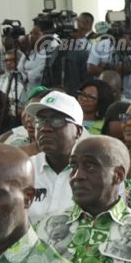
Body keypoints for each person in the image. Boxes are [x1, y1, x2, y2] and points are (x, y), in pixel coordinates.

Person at [35, 136, 131, 263]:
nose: (77, 176)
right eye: (73, 167)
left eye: (90, 167)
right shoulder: (46, 225)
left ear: (118, 175)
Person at [24, 91, 85, 224]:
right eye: (40, 121)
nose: (45, 128)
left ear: (78, 131)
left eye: (57, 121)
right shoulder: (25, 170)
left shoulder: (96, 175)